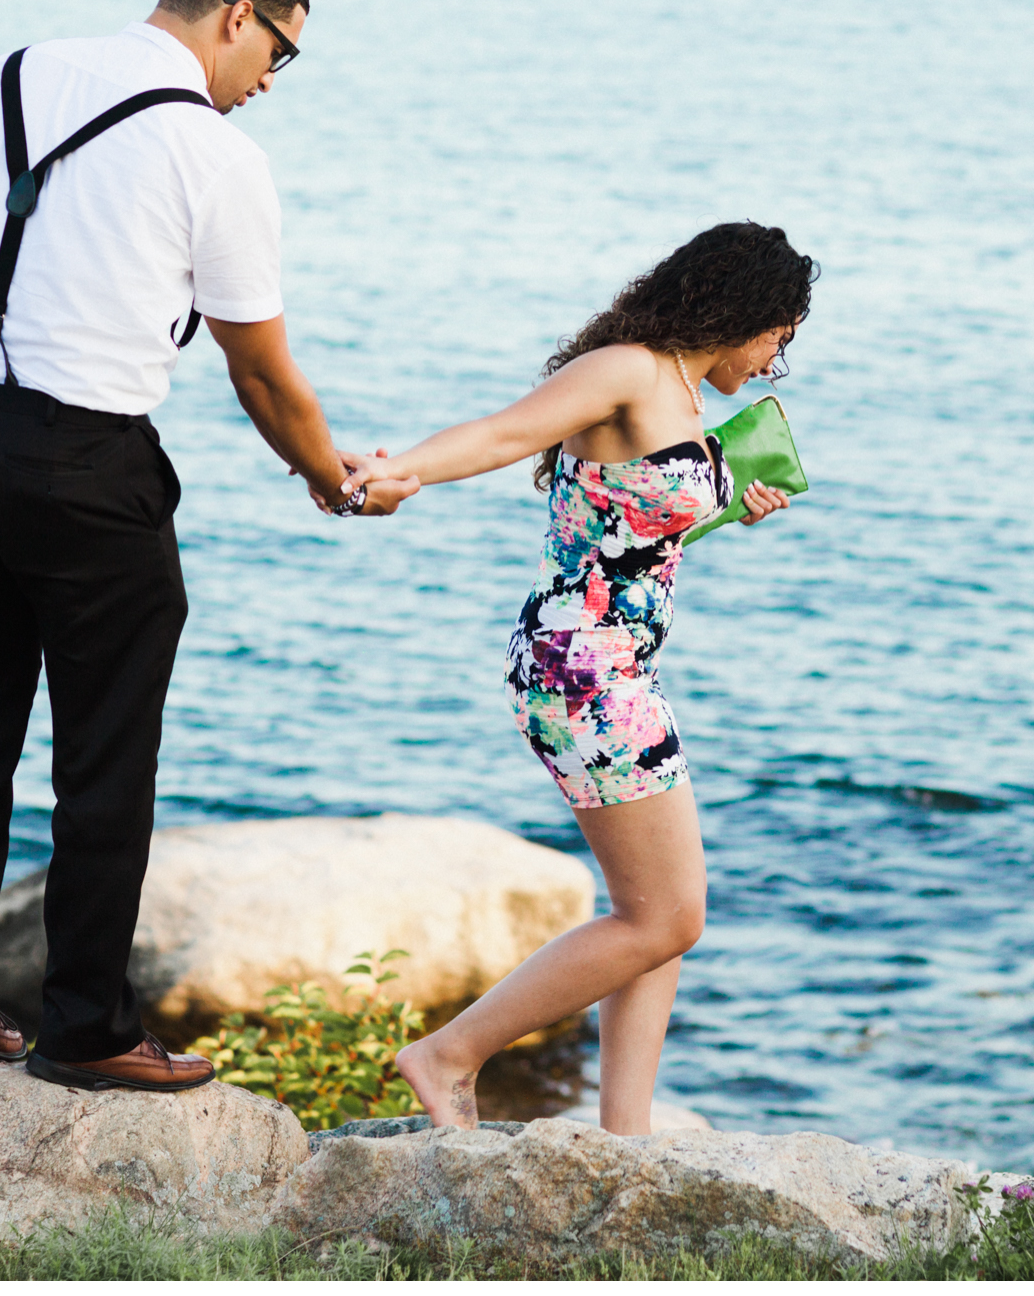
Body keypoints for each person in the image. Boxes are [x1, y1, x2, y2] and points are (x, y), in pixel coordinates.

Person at [0, 0, 415, 1092]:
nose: (269, 82)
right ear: (236, 17)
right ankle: (83, 1030)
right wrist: (326, 473)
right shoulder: (211, 155)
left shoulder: (4, 74)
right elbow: (260, 371)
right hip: (87, 467)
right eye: (280, 53)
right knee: (105, 758)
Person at [340, 222, 816, 1134]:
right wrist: (395, 474)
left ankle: (625, 1133)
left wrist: (730, 510)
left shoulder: (678, 394)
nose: (772, 365)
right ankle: (448, 1056)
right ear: (747, 313)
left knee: (662, 913)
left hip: (613, 666)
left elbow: (625, 531)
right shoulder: (630, 369)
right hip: (582, 670)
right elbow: (502, 433)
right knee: (666, 918)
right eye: (778, 342)